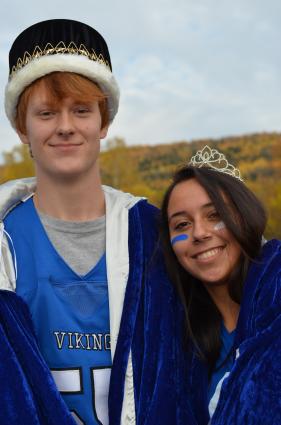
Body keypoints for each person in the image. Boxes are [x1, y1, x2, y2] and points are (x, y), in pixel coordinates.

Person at [0, 19, 197, 425]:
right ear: (22, 127)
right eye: (46, 112)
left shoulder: (153, 233)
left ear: (104, 122)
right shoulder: (5, 242)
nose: (66, 126)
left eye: (82, 110)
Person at [160, 145, 281, 424]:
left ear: (244, 216)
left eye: (215, 216)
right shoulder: (175, 335)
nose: (199, 233)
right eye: (181, 225)